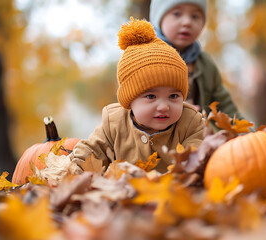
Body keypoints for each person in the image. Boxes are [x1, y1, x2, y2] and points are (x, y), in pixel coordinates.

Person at [71, 18, 205, 173]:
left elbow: (197, 160)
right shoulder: (114, 123)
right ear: (130, 100)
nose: (163, 106)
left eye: (173, 96)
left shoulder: (190, 123)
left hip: (173, 192)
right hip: (123, 193)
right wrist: (75, 172)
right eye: (151, 97)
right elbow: (90, 152)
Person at [150, 0, 242, 119]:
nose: (187, 22)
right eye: (177, 14)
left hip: (196, 131)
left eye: (195, 16)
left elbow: (224, 105)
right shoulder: (147, 58)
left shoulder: (205, 64)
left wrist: (245, 131)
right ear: (159, 18)